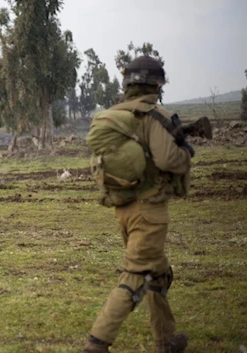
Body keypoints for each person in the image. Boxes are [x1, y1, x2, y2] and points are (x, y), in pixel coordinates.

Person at [83, 56, 191, 353]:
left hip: (124, 209)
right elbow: (168, 159)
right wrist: (186, 155)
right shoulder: (153, 116)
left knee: (158, 273)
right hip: (150, 210)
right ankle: (97, 344)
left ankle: (166, 341)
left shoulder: (115, 115)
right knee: (137, 275)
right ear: (156, 84)